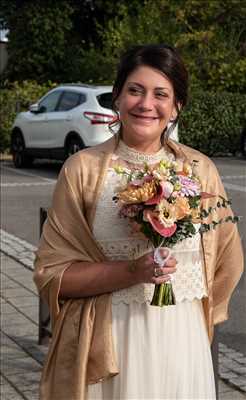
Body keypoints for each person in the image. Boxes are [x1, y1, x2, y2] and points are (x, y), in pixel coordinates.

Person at [34, 44, 243, 400]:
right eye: (135, 90)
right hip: (109, 340)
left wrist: (190, 319)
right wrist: (132, 272)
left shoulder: (200, 170)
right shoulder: (82, 170)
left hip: (182, 341)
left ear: (176, 107)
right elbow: (54, 275)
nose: (146, 104)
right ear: (117, 97)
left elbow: (227, 258)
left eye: (161, 94)